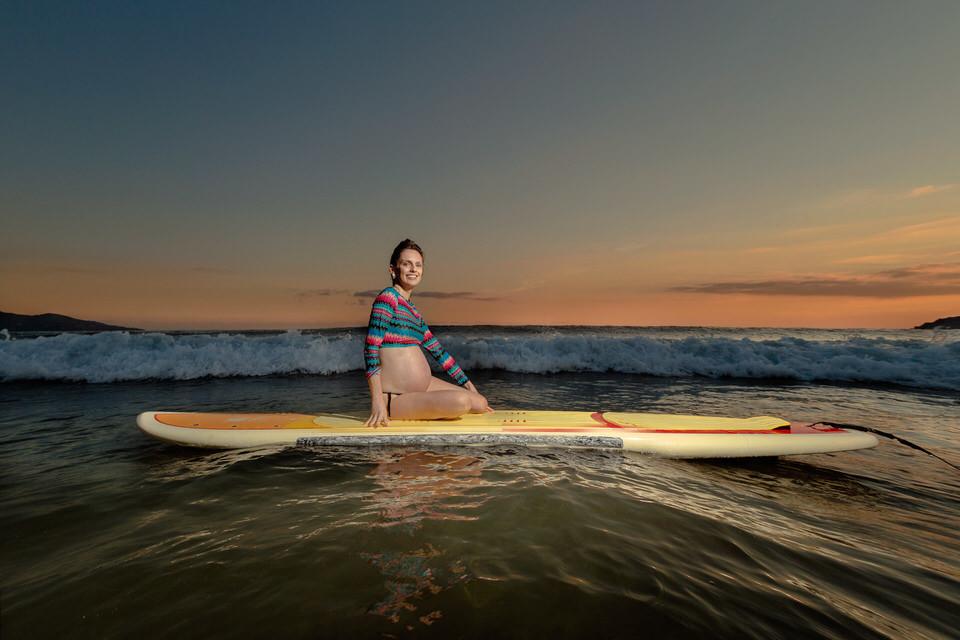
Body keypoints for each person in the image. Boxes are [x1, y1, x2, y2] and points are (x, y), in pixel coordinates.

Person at [364, 239, 492, 426]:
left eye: (418, 265)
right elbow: (371, 348)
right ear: (393, 269)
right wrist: (377, 402)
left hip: (422, 387)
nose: (413, 269)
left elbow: (439, 352)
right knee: (462, 402)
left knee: (480, 403)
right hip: (394, 397)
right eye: (407, 264)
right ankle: (388, 404)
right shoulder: (388, 298)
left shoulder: (413, 312)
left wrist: (468, 385)